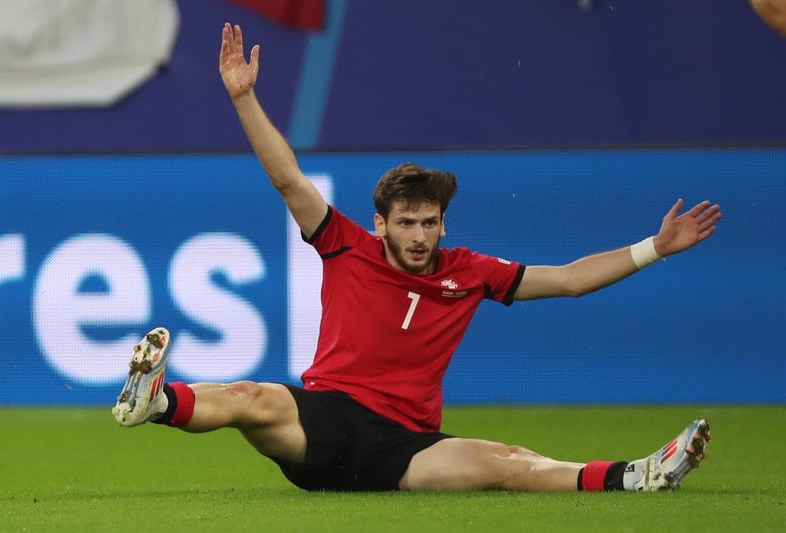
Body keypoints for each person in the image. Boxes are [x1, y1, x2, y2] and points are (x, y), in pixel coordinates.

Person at [112, 23, 721, 493]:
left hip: (406, 450)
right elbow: (288, 180)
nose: (420, 235)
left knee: (509, 462)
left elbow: (568, 280)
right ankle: (156, 401)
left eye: (430, 222)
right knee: (253, 398)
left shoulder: (469, 272)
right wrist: (244, 97)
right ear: (381, 224)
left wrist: (655, 247)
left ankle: (637, 477)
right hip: (324, 423)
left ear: (443, 224)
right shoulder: (345, 243)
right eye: (406, 222)